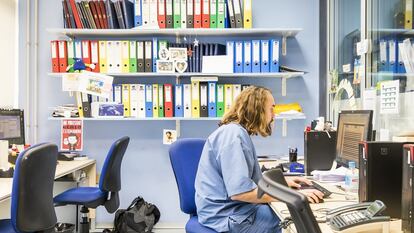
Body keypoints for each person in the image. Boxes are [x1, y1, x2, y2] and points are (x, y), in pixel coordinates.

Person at [194, 86, 324, 233]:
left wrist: (283, 184)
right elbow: (240, 192)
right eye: (271, 109)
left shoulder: (237, 132)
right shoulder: (233, 135)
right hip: (227, 217)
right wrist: (292, 197)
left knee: (296, 214)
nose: (274, 115)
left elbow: (249, 181)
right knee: (296, 221)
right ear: (257, 110)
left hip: (234, 210)